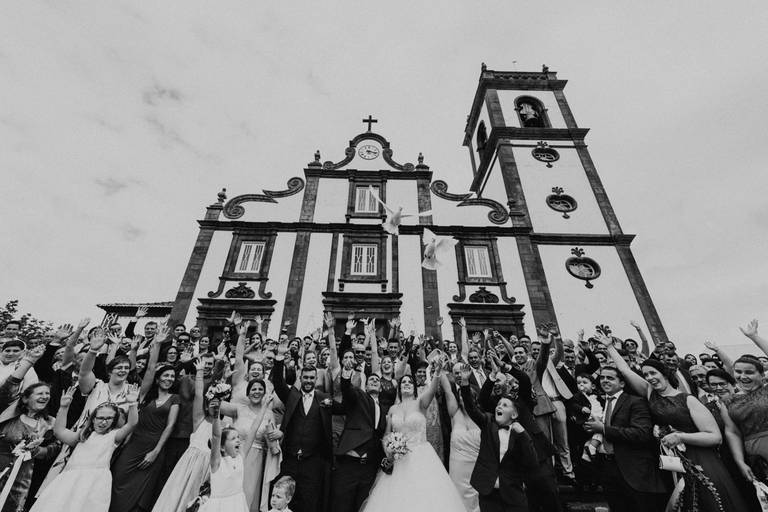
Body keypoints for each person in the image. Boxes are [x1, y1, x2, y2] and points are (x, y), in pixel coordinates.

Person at [358, 370, 466, 512]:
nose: (407, 384)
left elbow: (432, 389)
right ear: (399, 388)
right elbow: (386, 435)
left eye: (410, 382)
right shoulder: (392, 409)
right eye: (403, 382)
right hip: (398, 460)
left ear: (414, 388)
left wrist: (437, 373)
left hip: (421, 456)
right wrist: (389, 451)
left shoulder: (420, 403)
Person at [30, 385, 139, 512]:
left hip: (94, 482)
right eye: (100, 418)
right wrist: (64, 407)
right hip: (70, 478)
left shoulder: (114, 436)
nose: (104, 422)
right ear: (93, 419)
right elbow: (59, 431)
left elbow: (132, 423)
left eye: (109, 418)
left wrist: (132, 403)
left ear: (114, 421)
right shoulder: (83, 435)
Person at [582, 366, 667, 512]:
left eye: (610, 378)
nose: (605, 381)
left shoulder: (635, 402)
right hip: (608, 467)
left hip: (633, 471)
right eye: (602, 378)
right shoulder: (599, 403)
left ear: (622, 383)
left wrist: (602, 428)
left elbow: (641, 433)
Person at [458, 366, 538, 512]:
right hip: (488, 492)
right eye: (498, 405)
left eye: (505, 405)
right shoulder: (488, 423)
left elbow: (532, 462)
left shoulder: (519, 433)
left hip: (513, 494)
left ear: (514, 415)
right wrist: (464, 382)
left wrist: (523, 435)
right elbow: (471, 407)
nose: (498, 407)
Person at [272, 335, 333, 512]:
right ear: (300, 377)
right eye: (305, 377)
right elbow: (278, 383)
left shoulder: (324, 399)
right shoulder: (292, 396)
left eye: (311, 378)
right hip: (290, 460)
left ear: (316, 379)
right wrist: (279, 358)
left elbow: (343, 407)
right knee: (285, 502)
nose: (308, 381)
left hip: (312, 462)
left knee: (309, 502)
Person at [109, 361, 180, 512]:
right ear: (157, 379)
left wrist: (155, 452)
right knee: (118, 479)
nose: (169, 378)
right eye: (166, 375)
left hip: (154, 446)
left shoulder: (175, 398)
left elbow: (170, 426)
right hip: (133, 444)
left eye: (173, 376)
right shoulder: (145, 396)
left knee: (142, 493)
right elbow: (149, 369)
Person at [152, 359, 216, 512]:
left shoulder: (224, 427)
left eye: (219, 402)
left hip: (206, 471)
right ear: (207, 405)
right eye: (212, 402)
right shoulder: (199, 420)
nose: (215, 405)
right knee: (176, 496)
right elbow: (199, 395)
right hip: (187, 467)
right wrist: (199, 373)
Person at [220, 377, 281, 512]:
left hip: (256, 460)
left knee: (248, 494)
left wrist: (278, 435)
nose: (257, 392)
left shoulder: (269, 414)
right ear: (247, 394)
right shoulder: (238, 409)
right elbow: (214, 404)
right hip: (235, 456)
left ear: (265, 393)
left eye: (260, 389)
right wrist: (224, 379)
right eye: (253, 389)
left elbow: (273, 443)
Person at [332, 365, 388, 512]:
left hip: (369, 468)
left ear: (381, 388)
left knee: (363, 506)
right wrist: (346, 376)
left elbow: (380, 437)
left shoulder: (384, 410)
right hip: (349, 464)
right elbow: (347, 389)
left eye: (377, 380)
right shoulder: (358, 396)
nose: (375, 381)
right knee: (342, 506)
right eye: (371, 380)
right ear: (366, 386)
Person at [0, 383, 58, 512]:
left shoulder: (50, 423)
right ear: (25, 399)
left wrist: (37, 450)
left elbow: (55, 449)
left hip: (21, 479)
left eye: (47, 393)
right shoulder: (10, 417)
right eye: (40, 393)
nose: (45, 396)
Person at [199, 403, 262, 512]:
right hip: (219, 507)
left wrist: (264, 406)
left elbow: (253, 429)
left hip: (237, 504)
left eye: (238, 437)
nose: (238, 440)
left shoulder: (240, 458)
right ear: (222, 447)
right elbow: (216, 436)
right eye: (233, 438)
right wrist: (216, 415)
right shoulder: (217, 462)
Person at [442, 365, 480, 512]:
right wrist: (440, 370)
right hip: (457, 467)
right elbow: (447, 390)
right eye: (461, 396)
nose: (463, 398)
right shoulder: (455, 413)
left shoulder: (481, 418)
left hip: (477, 466)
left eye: (467, 396)